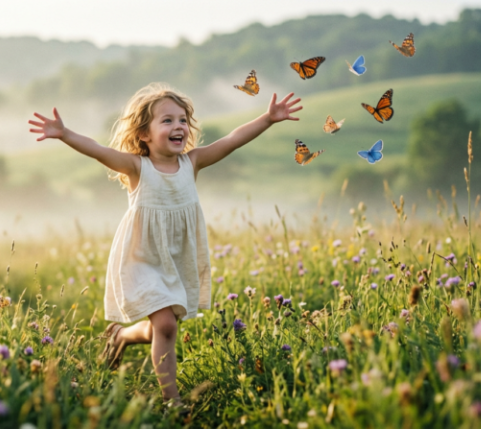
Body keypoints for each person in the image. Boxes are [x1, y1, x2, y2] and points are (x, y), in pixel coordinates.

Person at [28, 83, 302, 408]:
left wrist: (267, 119)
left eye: (183, 120)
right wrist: (65, 133)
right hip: (142, 258)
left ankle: (121, 336)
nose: (179, 127)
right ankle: (172, 401)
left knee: (163, 328)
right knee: (166, 324)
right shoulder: (136, 167)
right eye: (167, 121)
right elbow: (98, 150)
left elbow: (231, 140)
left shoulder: (193, 162)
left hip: (176, 258)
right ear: (144, 133)